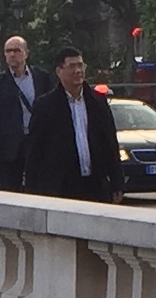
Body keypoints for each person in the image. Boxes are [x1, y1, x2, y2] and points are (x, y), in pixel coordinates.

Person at [21, 46, 122, 201]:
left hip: (95, 185)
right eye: (72, 66)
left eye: (80, 65)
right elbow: (35, 149)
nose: (77, 71)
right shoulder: (45, 106)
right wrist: (31, 188)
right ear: (59, 71)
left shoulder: (97, 102)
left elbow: (110, 143)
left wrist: (117, 182)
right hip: (61, 186)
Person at [0, 33, 42, 189]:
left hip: (36, 143)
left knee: (38, 186)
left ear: (26, 53)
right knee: (10, 188)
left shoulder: (41, 77)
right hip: (10, 147)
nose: (12, 54)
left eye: (17, 50)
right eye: (8, 51)